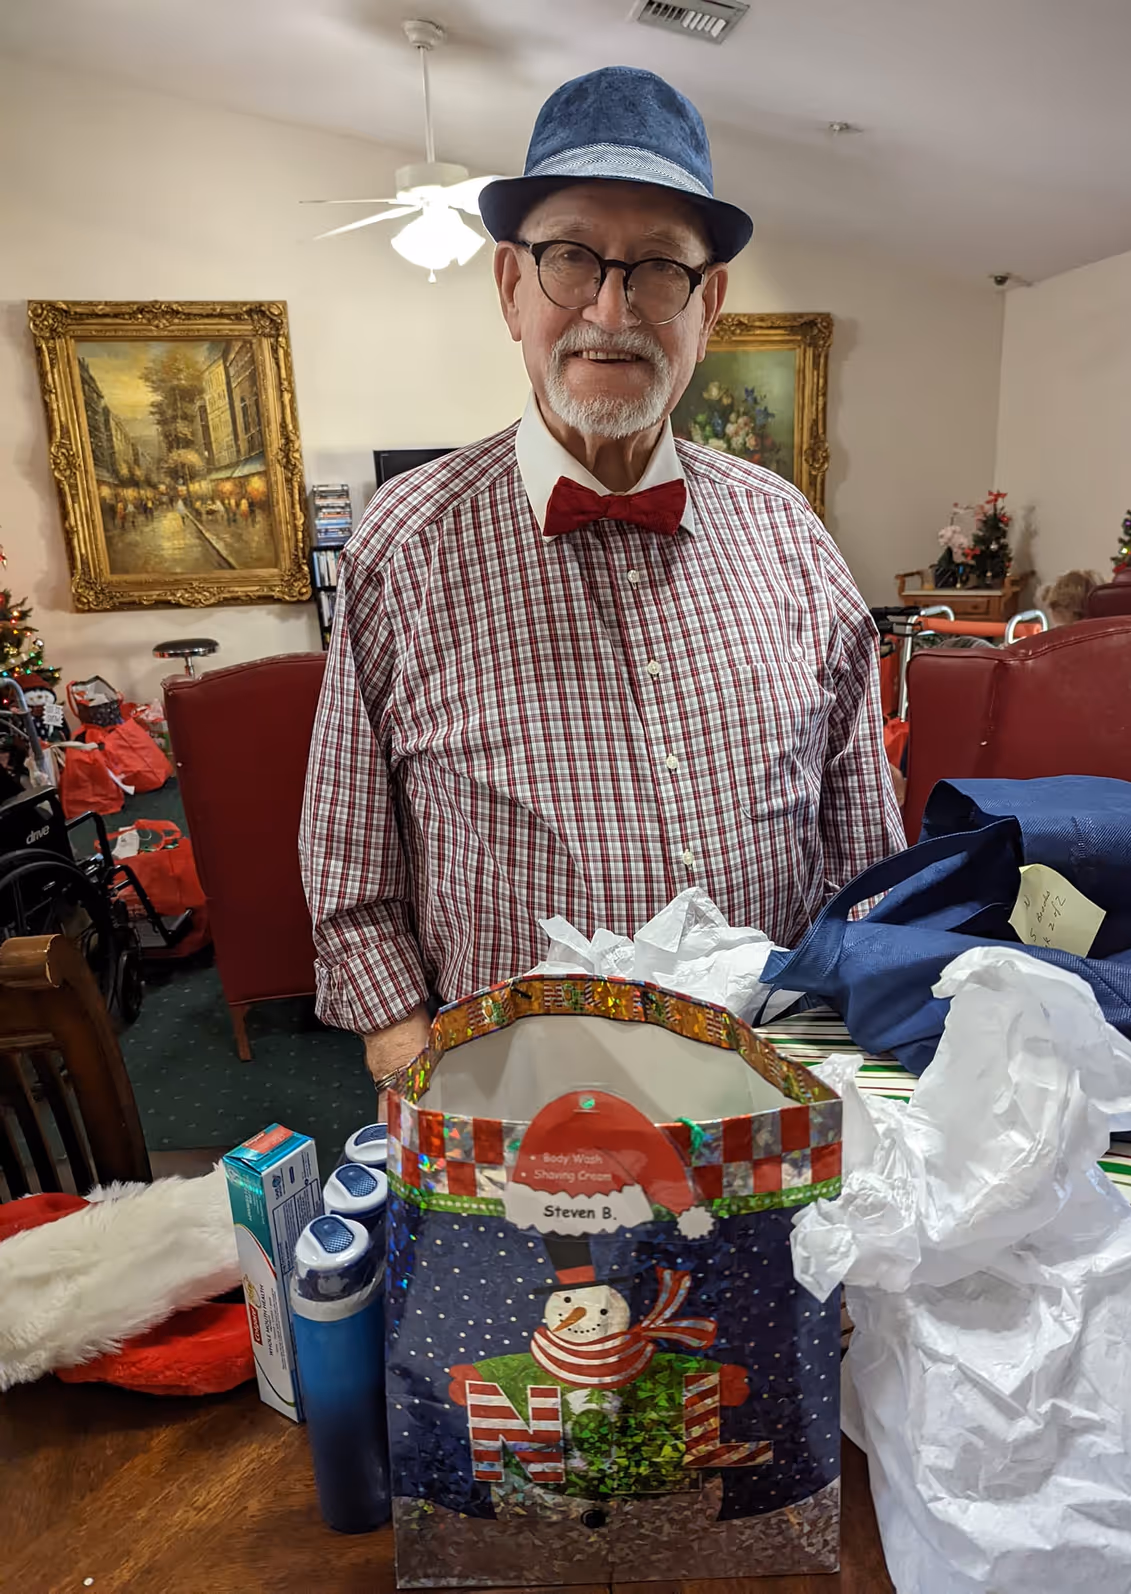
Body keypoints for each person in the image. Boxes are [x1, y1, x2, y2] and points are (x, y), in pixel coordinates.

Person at [301, 66, 903, 1110]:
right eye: (571, 258)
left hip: (769, 1084)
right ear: (510, 289)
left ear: (708, 305)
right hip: (519, 1101)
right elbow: (349, 862)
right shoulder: (408, 543)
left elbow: (865, 840)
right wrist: (414, 1066)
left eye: (661, 269)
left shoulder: (790, 535)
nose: (612, 309)